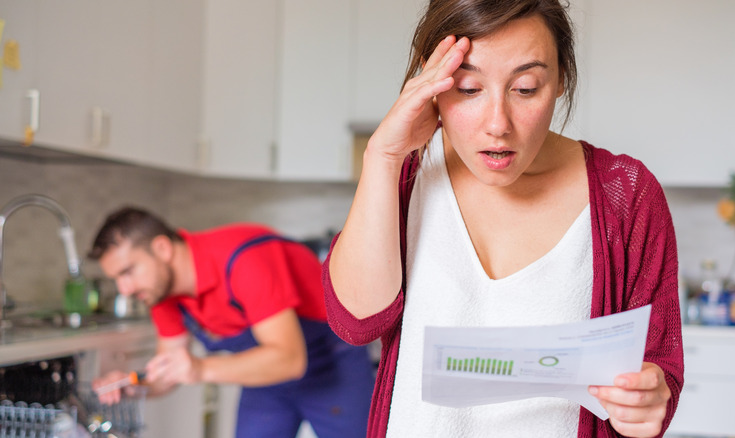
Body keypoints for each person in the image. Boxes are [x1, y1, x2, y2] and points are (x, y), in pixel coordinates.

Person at [323, 1, 683, 437]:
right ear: (432, 81)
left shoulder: (626, 195)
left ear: (562, 78)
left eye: (526, 88)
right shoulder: (408, 174)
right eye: (469, 89)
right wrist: (381, 156)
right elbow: (357, 322)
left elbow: (657, 373)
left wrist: (645, 401)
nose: (498, 124)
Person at [88, 207, 374, 438]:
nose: (124, 289)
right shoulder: (159, 292)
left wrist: (199, 368)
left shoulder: (243, 259)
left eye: (128, 271)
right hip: (264, 376)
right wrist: (136, 386)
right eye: (117, 279)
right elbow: (169, 369)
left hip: (331, 366)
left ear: (162, 248)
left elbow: (290, 359)